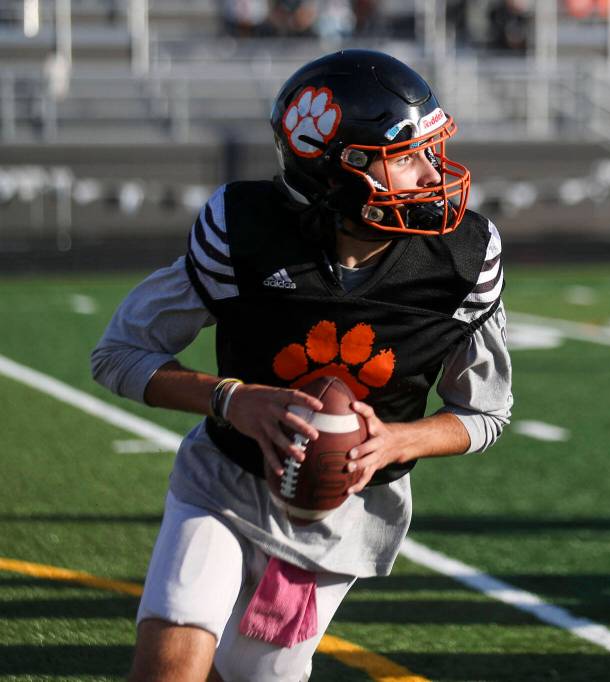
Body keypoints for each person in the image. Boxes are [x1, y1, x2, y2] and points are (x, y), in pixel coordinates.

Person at [91, 49, 512, 682]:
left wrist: (395, 439)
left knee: (257, 673)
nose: (431, 176)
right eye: (408, 157)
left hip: (341, 509)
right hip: (226, 480)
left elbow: (486, 412)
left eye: (430, 152)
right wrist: (234, 399)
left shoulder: (461, 260)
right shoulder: (244, 233)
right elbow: (118, 356)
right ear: (341, 172)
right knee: (171, 657)